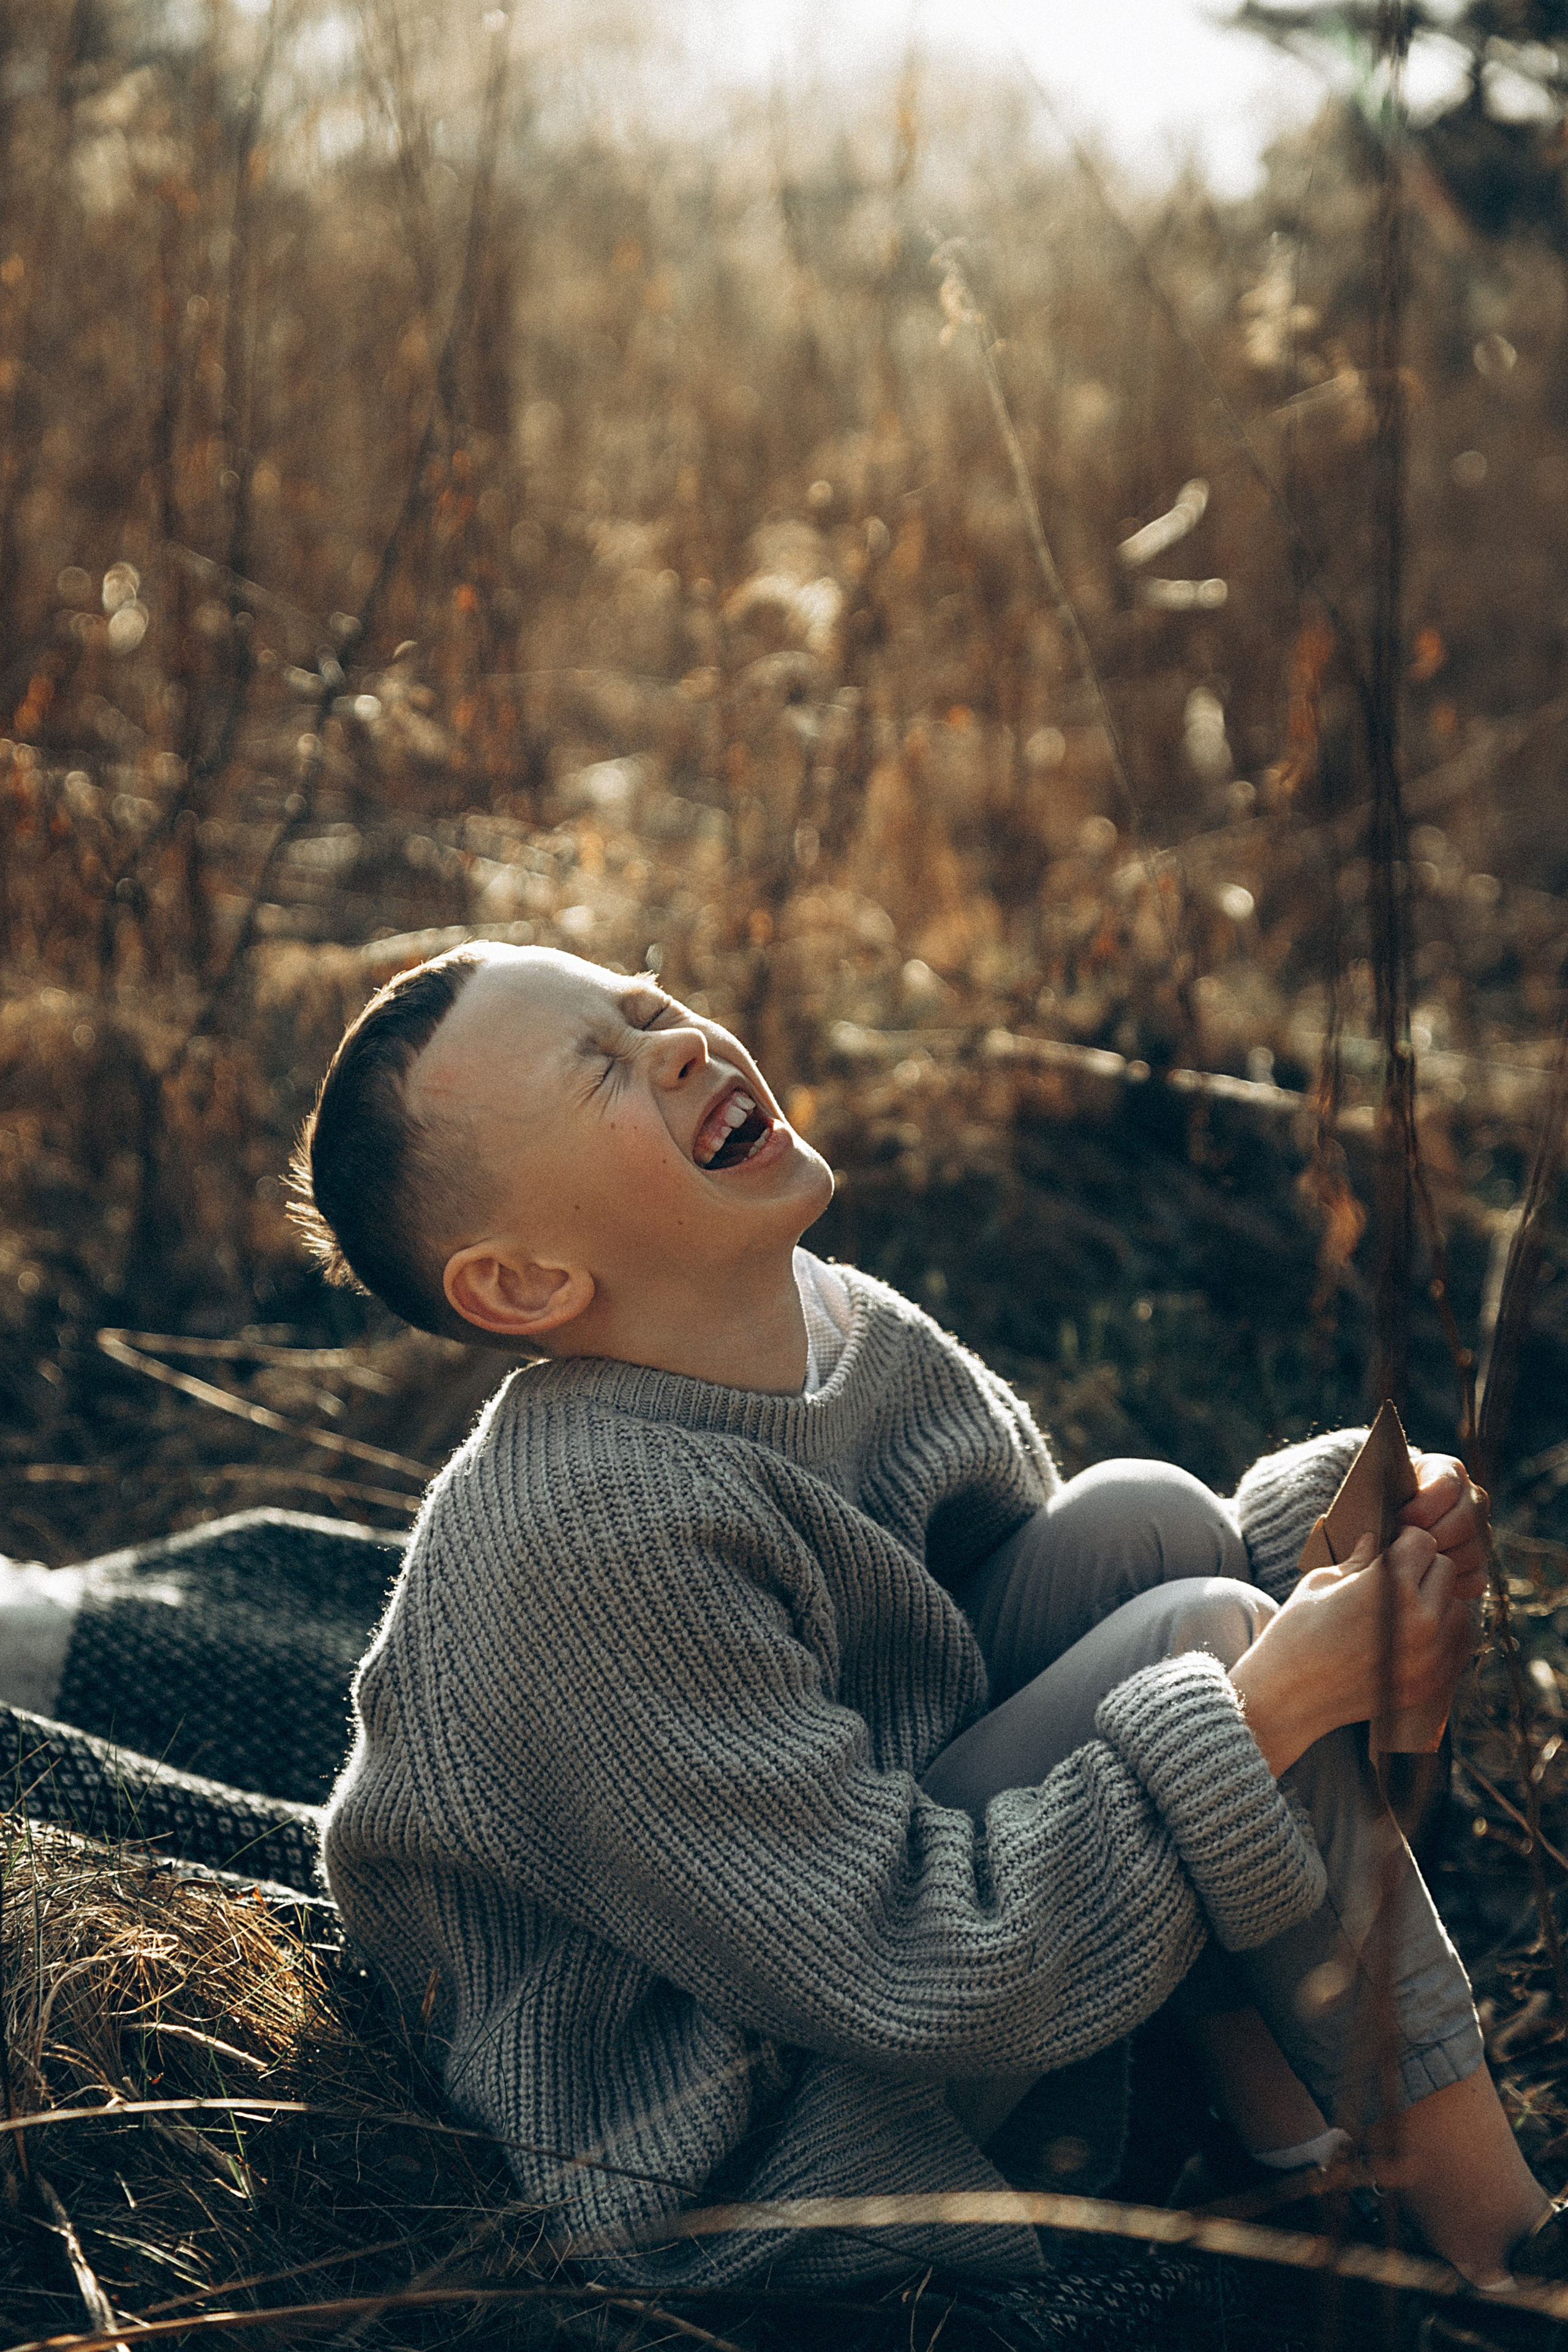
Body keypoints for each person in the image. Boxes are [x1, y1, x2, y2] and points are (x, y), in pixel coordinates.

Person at [291, 941, 1561, 2302]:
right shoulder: (590, 1531)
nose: (679, 1044)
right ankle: (1497, 2253)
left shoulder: (840, 1327)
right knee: (1203, 1653)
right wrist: (1273, 1698)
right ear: (525, 1284)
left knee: (1149, 1526)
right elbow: (895, 1956)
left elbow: (1029, 1622)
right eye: (601, 1066)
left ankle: (1293, 2153)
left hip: (895, 1894)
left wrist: (1336, 1553)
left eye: (649, 1004)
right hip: (748, 2107)